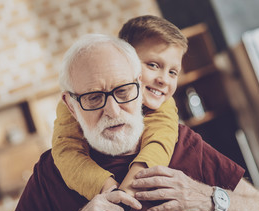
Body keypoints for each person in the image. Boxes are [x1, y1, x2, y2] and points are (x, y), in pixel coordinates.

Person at [3, 33, 259, 211]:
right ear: (71, 107)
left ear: (140, 87)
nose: (112, 111)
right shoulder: (49, 175)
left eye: (123, 91)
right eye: (92, 98)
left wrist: (203, 198)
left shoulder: (181, 143)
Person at [51, 16, 187, 201]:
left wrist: (130, 196)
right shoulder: (74, 104)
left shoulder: (165, 106)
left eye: (173, 72)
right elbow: (66, 153)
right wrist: (110, 190)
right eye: (153, 65)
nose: (164, 79)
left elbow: (160, 142)